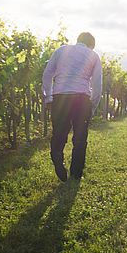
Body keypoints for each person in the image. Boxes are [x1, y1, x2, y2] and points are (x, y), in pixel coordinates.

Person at [42, 32, 102, 182]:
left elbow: (47, 74)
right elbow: (97, 85)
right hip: (82, 99)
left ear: (78, 40)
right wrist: (92, 106)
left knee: (59, 132)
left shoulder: (61, 50)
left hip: (60, 96)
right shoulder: (93, 56)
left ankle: (57, 154)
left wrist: (48, 97)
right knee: (80, 138)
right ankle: (76, 173)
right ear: (91, 45)